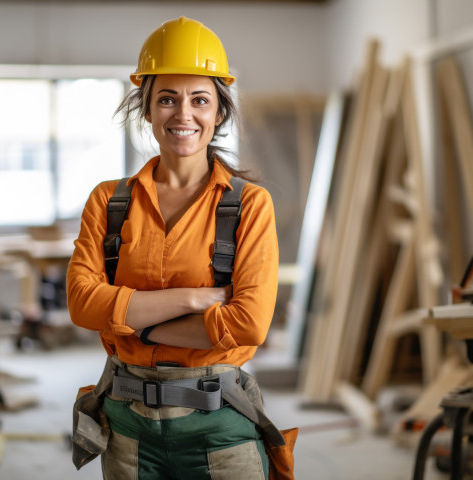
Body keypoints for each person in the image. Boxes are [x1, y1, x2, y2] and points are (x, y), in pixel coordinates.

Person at [67, 16, 296, 480]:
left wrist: (138, 326)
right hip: (127, 426)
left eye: (200, 100)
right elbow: (81, 304)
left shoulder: (250, 204)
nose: (183, 114)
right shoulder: (109, 201)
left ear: (220, 112)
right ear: (147, 109)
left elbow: (248, 324)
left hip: (220, 427)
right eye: (167, 99)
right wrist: (194, 301)